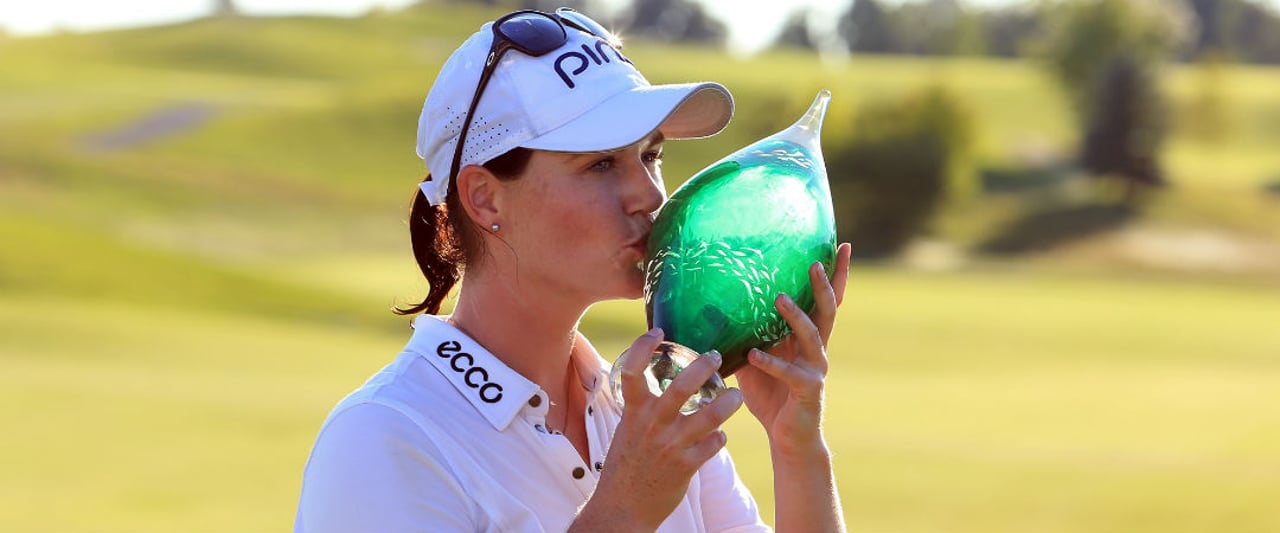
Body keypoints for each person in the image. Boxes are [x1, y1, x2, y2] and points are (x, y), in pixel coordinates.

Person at [294, 7, 853, 533]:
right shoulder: (384, 435)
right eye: (601, 163)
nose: (650, 194)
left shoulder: (649, 411)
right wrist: (624, 511)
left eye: (651, 155)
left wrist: (796, 446)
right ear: (485, 199)